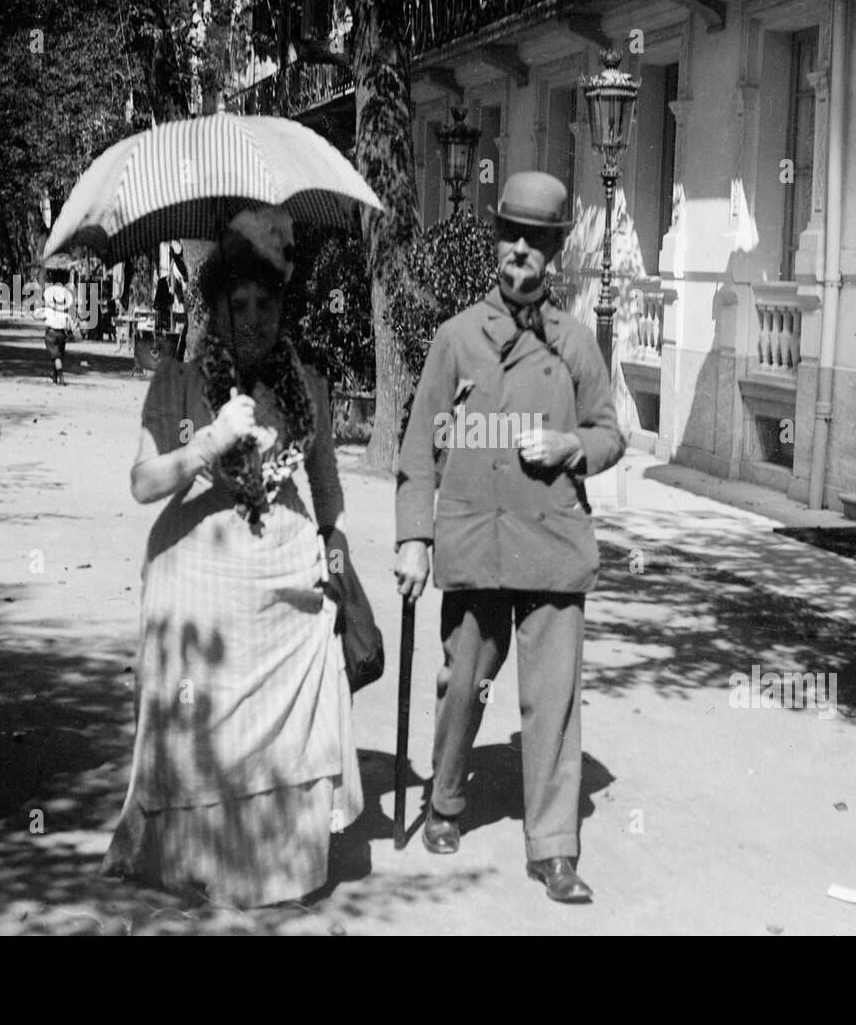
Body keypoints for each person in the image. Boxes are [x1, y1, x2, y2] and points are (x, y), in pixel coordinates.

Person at [102, 205, 362, 906]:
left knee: (286, 726)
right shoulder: (177, 384)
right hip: (199, 583)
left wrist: (333, 550)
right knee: (204, 717)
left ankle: (279, 866)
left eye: (266, 302)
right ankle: (202, 864)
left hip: (286, 581)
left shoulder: (305, 382)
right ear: (213, 307)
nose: (253, 318)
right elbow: (141, 483)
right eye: (237, 303)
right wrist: (205, 445)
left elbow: (327, 481)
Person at [394, 171, 625, 904]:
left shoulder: (577, 343)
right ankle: (446, 798)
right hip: (474, 536)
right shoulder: (456, 338)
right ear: (498, 242)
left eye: (536, 240)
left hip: (551, 541)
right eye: (511, 235)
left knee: (553, 699)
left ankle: (554, 846)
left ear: (555, 252)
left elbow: (611, 430)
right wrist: (413, 539)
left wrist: (571, 447)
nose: (520, 250)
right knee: (463, 682)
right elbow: (416, 451)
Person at [41, 272, 75, 385]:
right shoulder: (66, 313)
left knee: (56, 357)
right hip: (62, 335)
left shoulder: (49, 310)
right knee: (58, 355)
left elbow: (40, 316)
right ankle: (55, 376)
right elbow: (69, 327)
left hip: (51, 334)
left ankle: (61, 377)